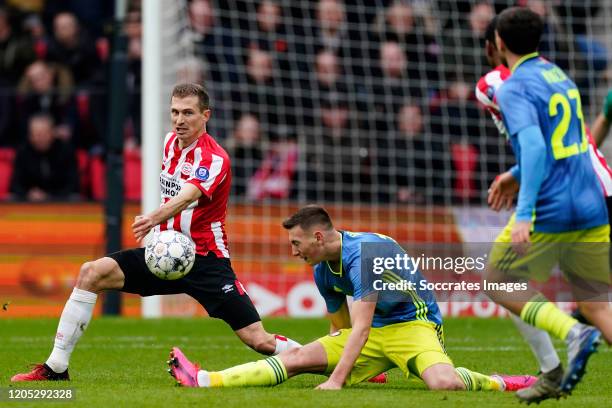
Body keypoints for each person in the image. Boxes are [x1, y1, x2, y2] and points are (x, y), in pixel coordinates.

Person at [11, 83, 300, 382]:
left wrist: (152, 218)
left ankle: (327, 358)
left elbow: (188, 196)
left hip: (206, 261)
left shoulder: (214, 158)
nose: (179, 120)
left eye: (188, 113)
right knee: (91, 273)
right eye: (175, 112)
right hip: (164, 256)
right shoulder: (168, 144)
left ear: (206, 116)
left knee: (258, 339)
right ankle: (55, 368)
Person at [167, 206, 536, 391]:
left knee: (443, 383)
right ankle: (204, 380)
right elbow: (341, 328)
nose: (293, 251)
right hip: (371, 332)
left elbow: (359, 327)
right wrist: (342, 363)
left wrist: (337, 380)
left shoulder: (366, 254)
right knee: (297, 358)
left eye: (296, 243)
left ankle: (501, 382)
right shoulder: (322, 268)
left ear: (317, 238)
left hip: (414, 325)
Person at [482, 7, 612, 403]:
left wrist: (524, 213)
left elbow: (538, 147)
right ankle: (570, 346)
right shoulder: (561, 77)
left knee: (496, 279)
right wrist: (513, 173)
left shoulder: (513, 87)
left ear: (499, 44)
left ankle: (572, 336)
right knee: (598, 306)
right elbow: (568, 143)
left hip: (552, 207)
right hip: (591, 202)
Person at [9, 113, 79, 201]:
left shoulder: (66, 151)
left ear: (53, 133)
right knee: (11, 198)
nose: (40, 139)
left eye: (44, 134)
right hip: (29, 201)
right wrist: (29, 194)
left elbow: (73, 184)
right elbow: (15, 184)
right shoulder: (23, 151)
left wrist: (49, 196)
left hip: (60, 200)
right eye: (36, 134)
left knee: (75, 198)